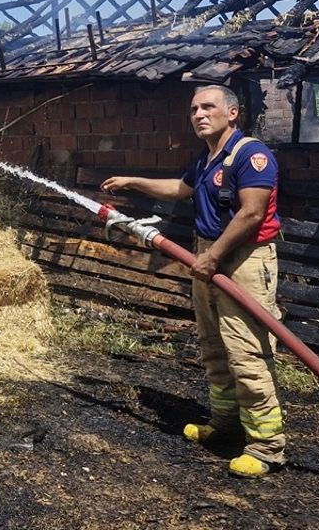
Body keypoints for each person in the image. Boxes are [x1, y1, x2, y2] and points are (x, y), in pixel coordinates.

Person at [101, 84, 284, 478]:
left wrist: (214, 256)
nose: (199, 114)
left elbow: (252, 214)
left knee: (246, 352)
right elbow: (180, 190)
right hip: (208, 256)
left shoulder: (252, 154)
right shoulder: (206, 160)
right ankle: (224, 427)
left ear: (232, 113)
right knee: (214, 347)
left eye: (208, 107)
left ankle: (266, 447)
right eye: (194, 109)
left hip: (243, 259)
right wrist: (132, 181)